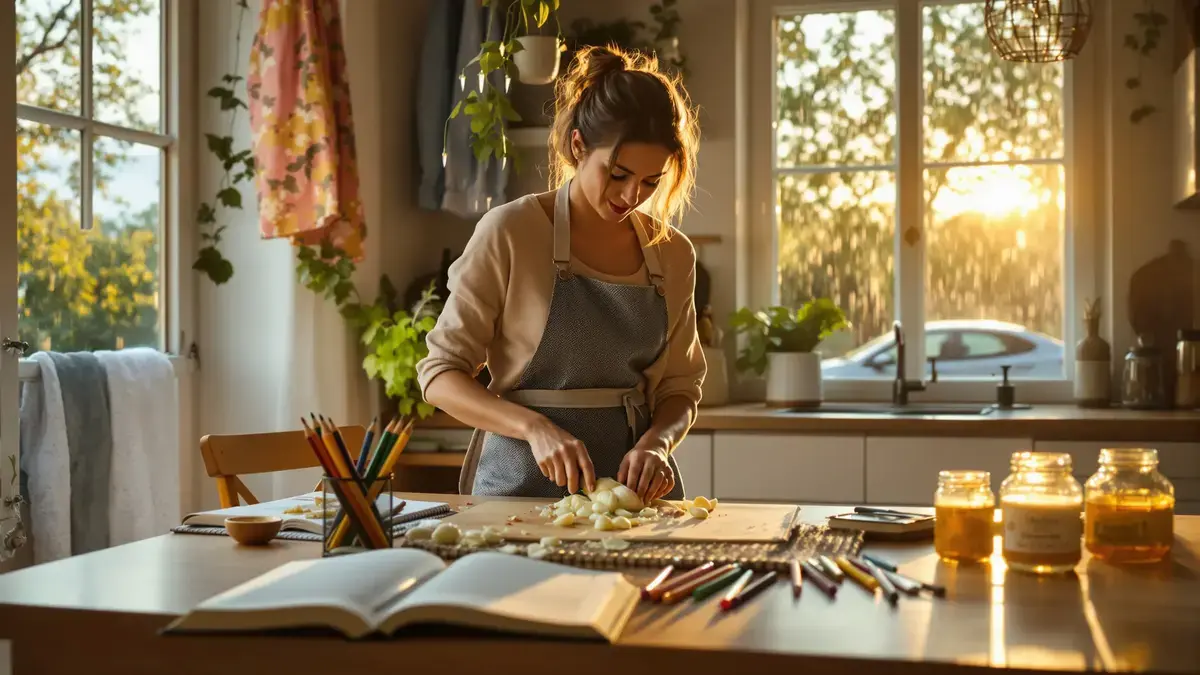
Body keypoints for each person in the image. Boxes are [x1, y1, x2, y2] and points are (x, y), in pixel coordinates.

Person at [415, 45, 706, 505]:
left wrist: (658, 442)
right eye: (618, 173)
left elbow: (680, 389)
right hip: (516, 492)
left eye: (651, 181)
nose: (633, 195)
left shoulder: (672, 254)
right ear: (577, 146)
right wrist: (534, 428)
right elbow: (440, 376)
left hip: (632, 501)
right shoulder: (510, 231)